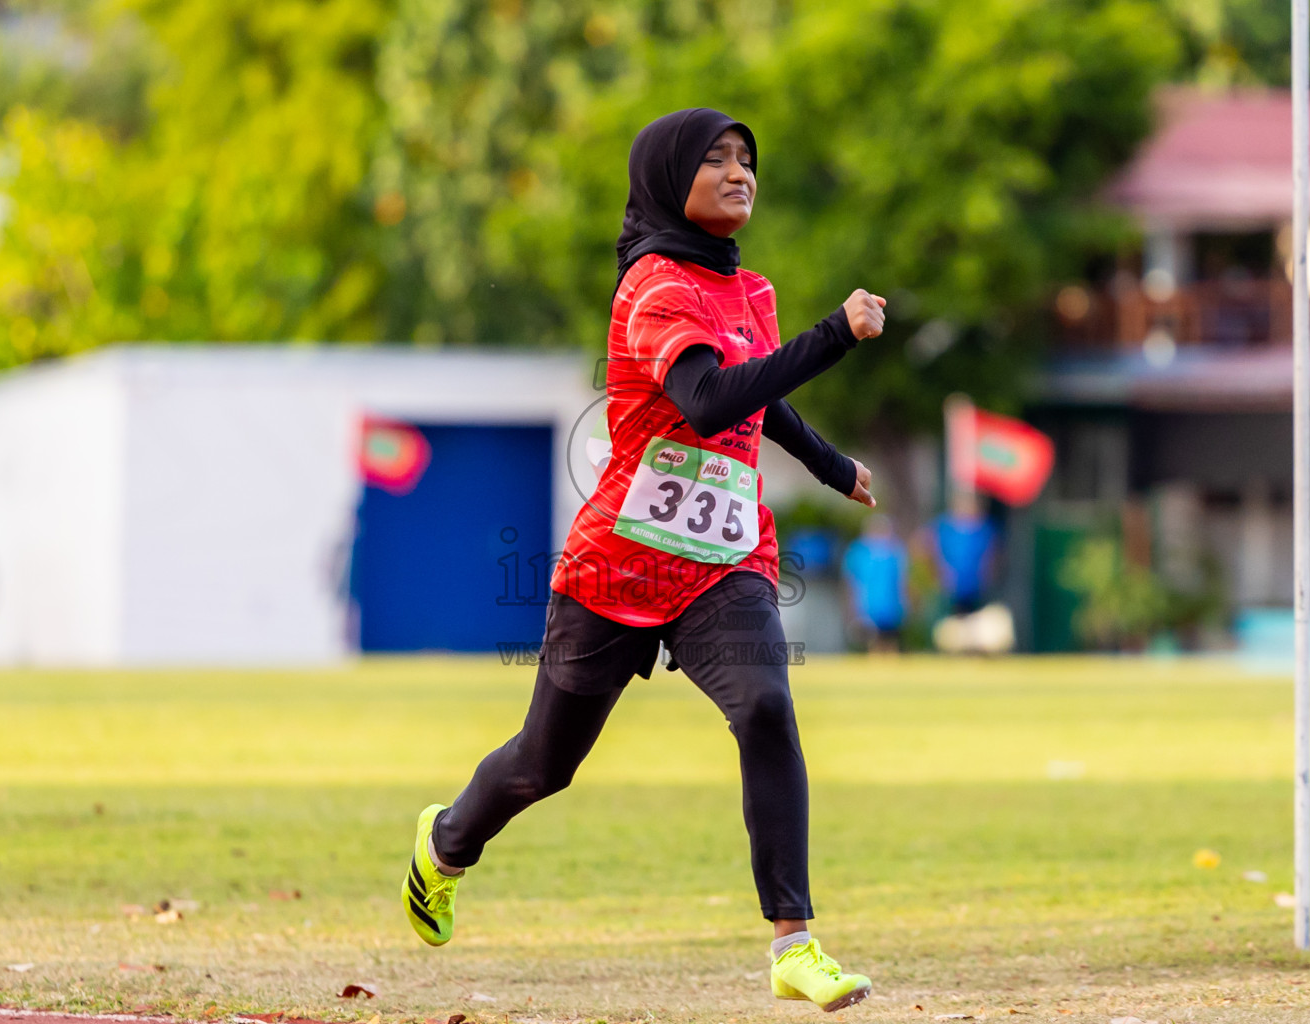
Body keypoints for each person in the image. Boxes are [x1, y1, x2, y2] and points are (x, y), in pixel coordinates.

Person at [401, 108, 884, 1012]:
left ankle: (794, 943)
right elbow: (706, 401)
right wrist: (833, 335)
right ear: (669, 180)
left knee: (769, 709)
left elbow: (762, 397)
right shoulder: (653, 288)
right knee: (545, 765)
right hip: (619, 567)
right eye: (717, 159)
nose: (741, 173)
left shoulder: (753, 291)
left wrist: (831, 466)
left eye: (748, 158)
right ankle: (446, 845)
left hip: (722, 560)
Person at [842, 515, 909, 652]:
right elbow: (850, 579)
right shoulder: (859, 551)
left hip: (890, 603)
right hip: (867, 604)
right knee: (871, 637)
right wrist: (851, 604)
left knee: (890, 637)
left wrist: (905, 600)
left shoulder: (895, 550)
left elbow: (902, 578)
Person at [932, 492, 998, 615]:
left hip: (976, 585)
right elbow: (931, 545)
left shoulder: (985, 528)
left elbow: (993, 552)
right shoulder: (945, 526)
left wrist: (988, 570)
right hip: (951, 585)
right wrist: (940, 569)